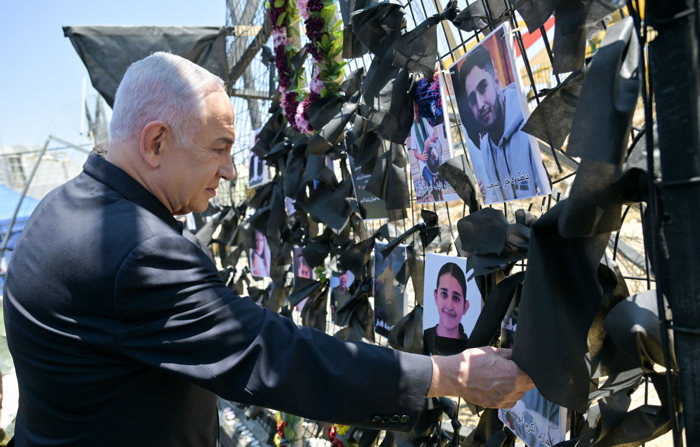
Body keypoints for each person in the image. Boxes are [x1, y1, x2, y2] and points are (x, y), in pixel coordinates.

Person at [3, 52, 533, 447]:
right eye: (219, 149)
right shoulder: (131, 249)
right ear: (156, 142)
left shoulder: (66, 207)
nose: (230, 172)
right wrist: (448, 376)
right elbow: (273, 355)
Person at [454, 45, 547, 204]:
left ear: (496, 82)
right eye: (472, 100)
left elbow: (545, 192)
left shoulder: (527, 126)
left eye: (483, 88)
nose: (481, 104)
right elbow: (496, 199)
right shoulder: (485, 147)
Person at [423, 262, 470, 356]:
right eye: (444, 294)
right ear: (436, 297)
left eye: (456, 298)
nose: (449, 306)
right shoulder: (424, 337)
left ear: (465, 307)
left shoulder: (471, 347)